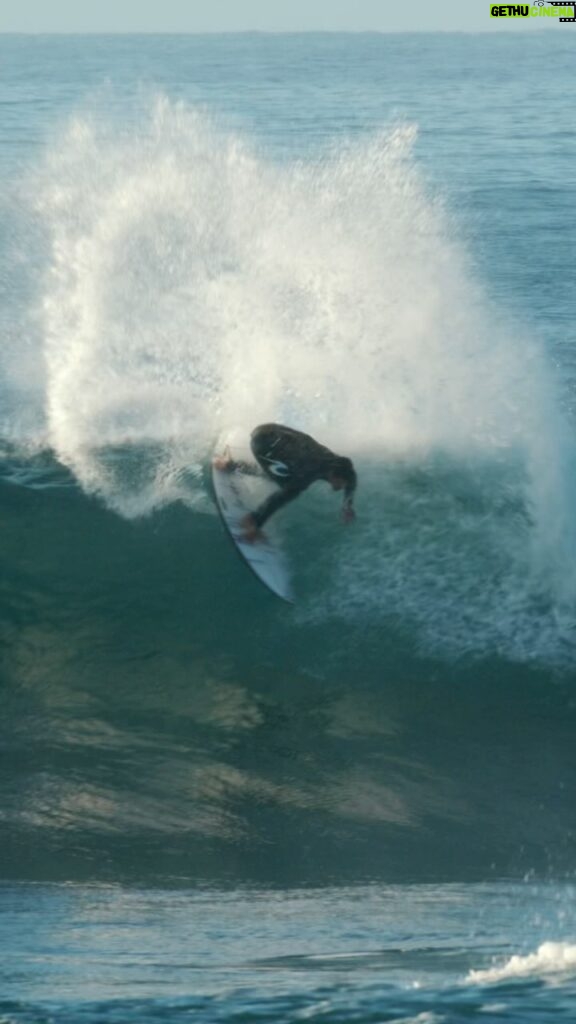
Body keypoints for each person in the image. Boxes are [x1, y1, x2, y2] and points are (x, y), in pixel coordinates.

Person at [214, 423, 357, 541]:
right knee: (288, 486)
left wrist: (347, 505)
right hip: (263, 443)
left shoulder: (335, 463)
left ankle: (231, 465)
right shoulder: (310, 471)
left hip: (271, 430)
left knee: (283, 475)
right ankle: (251, 520)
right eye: (340, 483)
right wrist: (258, 522)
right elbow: (281, 497)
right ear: (333, 475)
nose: (341, 487)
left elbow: (351, 479)